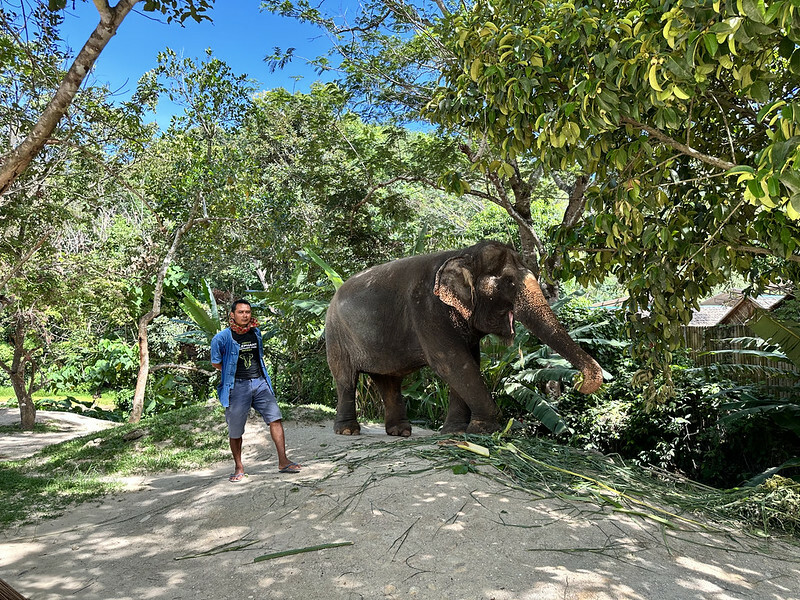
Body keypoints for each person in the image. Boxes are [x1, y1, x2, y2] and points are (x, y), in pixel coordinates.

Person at [211, 299, 301, 481]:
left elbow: (258, 356)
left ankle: (283, 461)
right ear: (232, 315)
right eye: (241, 312)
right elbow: (216, 362)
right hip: (237, 386)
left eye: (248, 312)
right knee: (235, 430)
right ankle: (239, 468)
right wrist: (231, 371)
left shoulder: (256, 333)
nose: (245, 315)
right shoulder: (221, 338)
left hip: (260, 383)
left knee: (275, 418)